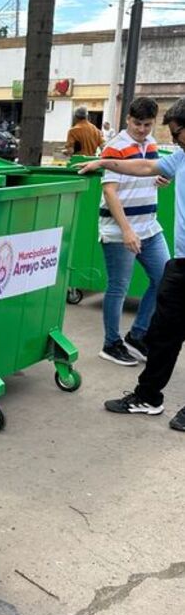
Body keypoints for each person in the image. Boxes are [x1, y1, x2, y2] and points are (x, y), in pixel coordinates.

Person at [77, 97, 185, 429]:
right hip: (180, 262)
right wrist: (104, 163)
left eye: (177, 132)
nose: (174, 139)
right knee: (164, 331)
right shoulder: (179, 155)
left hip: (151, 231)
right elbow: (145, 168)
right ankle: (147, 394)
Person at [95, 97, 169, 367]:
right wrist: (126, 230)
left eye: (147, 124)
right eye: (137, 123)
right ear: (128, 119)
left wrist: (160, 179)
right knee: (119, 287)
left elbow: (149, 173)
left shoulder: (151, 144)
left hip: (149, 226)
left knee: (164, 278)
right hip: (119, 230)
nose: (141, 129)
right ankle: (111, 343)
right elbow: (109, 191)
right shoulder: (114, 147)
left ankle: (137, 335)